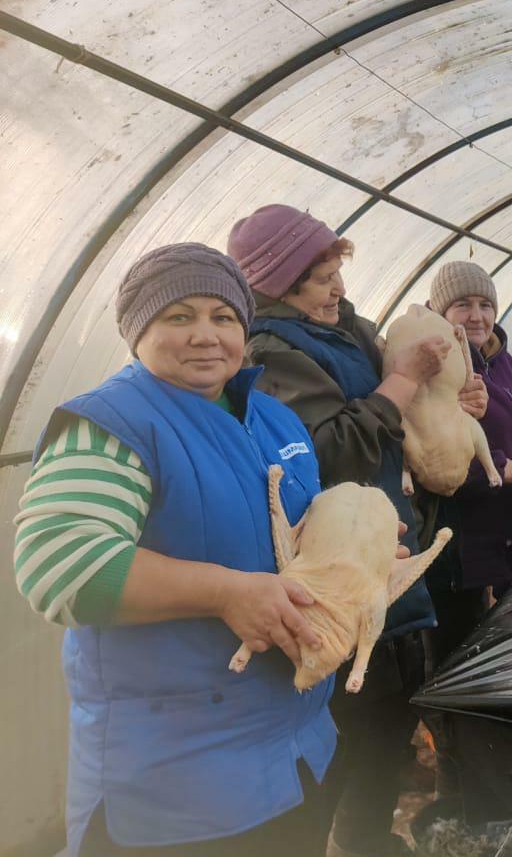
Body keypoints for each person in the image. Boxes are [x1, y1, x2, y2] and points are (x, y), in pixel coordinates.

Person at [13, 243, 337, 856]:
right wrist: (225, 593)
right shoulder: (113, 424)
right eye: (178, 317)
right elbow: (61, 565)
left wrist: (362, 566)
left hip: (297, 752)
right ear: (138, 331)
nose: (205, 336)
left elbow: (297, 542)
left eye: (222, 316)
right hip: (179, 786)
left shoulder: (273, 419)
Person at [228, 204, 456, 857]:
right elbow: (327, 450)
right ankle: (340, 840)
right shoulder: (270, 350)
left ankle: (366, 838)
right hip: (334, 576)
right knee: (340, 737)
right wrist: (406, 381)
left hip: (382, 549)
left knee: (387, 724)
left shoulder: (346, 328)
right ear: (275, 283)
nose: (338, 289)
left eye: (337, 272)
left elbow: (392, 413)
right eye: (321, 278)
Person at [431, 262, 512, 617]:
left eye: (485, 305)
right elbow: (431, 459)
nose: (477, 317)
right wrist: (505, 469)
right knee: (458, 660)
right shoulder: (433, 367)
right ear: (442, 311)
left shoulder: (511, 372)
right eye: (464, 305)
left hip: (502, 548)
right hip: (457, 553)